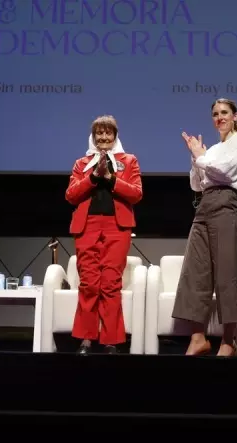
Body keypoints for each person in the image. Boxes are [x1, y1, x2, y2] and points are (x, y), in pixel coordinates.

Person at [171, 98, 237, 357]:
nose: (220, 117)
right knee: (195, 271)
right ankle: (198, 338)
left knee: (226, 274)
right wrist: (196, 159)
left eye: (225, 113)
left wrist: (202, 158)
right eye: (215, 114)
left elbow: (226, 173)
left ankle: (229, 341)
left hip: (227, 204)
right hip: (205, 205)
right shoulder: (213, 148)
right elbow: (197, 185)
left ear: (235, 116)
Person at [65, 115, 143, 354]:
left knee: (110, 283)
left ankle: (111, 340)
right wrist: (93, 177)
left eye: (108, 133)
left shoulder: (128, 161)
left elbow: (136, 194)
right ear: (93, 136)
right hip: (87, 226)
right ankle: (86, 338)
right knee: (88, 283)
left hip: (116, 228)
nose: (104, 137)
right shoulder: (82, 163)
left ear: (115, 135)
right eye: (99, 133)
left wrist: (111, 179)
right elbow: (71, 195)